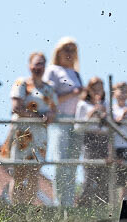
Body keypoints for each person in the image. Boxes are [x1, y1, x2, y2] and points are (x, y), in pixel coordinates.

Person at [6, 52, 57, 204]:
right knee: (19, 173)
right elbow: (16, 107)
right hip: (22, 134)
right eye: (36, 63)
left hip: (40, 135)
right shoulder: (21, 83)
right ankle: (16, 206)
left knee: (35, 172)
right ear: (29, 66)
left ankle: (28, 207)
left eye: (42, 63)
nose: (39, 67)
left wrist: (49, 116)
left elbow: (54, 110)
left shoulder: (49, 89)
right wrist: (38, 118)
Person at [44, 37, 83, 206]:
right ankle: (59, 203)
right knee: (60, 162)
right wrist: (73, 93)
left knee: (72, 164)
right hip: (60, 121)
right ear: (58, 52)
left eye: (72, 50)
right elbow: (48, 97)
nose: (69, 53)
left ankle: (68, 203)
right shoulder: (52, 70)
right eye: (66, 49)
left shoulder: (76, 74)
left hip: (76, 122)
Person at [74, 77, 109, 207]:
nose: (97, 91)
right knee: (89, 173)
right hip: (90, 140)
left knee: (104, 174)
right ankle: (84, 204)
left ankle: (103, 206)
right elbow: (78, 127)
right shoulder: (83, 104)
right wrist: (90, 115)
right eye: (94, 88)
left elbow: (111, 127)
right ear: (89, 89)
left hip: (104, 140)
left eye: (100, 87)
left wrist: (105, 116)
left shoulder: (106, 105)